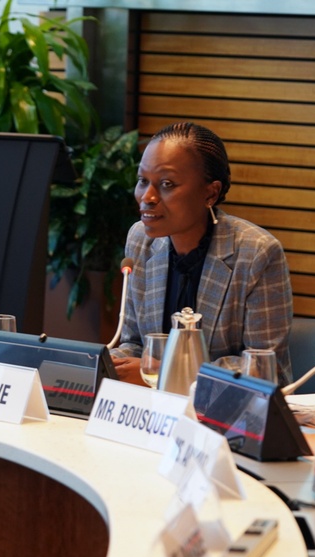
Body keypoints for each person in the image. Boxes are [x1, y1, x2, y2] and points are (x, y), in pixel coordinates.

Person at [111, 122, 293, 386]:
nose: (147, 197)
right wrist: (105, 363)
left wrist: (166, 374)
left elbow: (267, 367)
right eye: (142, 181)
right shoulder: (140, 240)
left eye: (166, 184)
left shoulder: (256, 253)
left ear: (210, 193)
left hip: (229, 416)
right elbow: (135, 343)